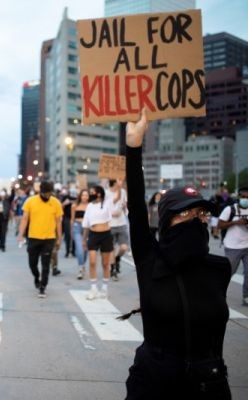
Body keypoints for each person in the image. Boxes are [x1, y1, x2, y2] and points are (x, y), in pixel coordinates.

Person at [124, 109, 232, 399]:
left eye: (200, 213)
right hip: (153, 384)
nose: (196, 218)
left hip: (207, 383)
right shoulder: (150, 260)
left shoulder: (219, 268)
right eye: (186, 212)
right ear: (167, 221)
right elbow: (135, 207)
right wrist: (133, 147)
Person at [17, 181, 63, 298]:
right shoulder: (30, 201)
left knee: (46, 264)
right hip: (33, 237)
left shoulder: (56, 203)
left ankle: (43, 287)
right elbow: (25, 219)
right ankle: (36, 277)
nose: (47, 196)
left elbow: (58, 222)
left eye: (49, 193)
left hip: (49, 238)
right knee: (32, 264)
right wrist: (21, 234)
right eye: (45, 193)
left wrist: (59, 238)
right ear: (40, 191)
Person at [217, 187, 248, 306]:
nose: (245, 199)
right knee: (228, 272)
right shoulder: (230, 209)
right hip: (232, 247)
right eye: (243, 197)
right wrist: (236, 222)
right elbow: (220, 225)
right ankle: (218, 294)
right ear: (238, 197)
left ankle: (246, 297)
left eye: (247, 197)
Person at [82, 185, 113, 300]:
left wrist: (119, 187)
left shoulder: (107, 203)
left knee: (105, 264)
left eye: (92, 192)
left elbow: (115, 198)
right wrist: (84, 240)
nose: (91, 194)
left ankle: (104, 288)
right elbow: (86, 223)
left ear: (99, 193)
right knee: (92, 262)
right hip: (93, 235)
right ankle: (93, 288)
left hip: (106, 235)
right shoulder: (89, 206)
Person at [105, 179, 128, 281]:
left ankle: (118, 259)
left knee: (123, 248)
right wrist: (111, 214)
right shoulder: (106, 193)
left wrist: (124, 209)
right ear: (114, 182)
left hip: (122, 223)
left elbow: (124, 204)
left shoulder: (123, 192)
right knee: (112, 249)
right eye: (119, 181)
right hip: (110, 225)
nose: (121, 182)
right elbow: (108, 206)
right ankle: (113, 269)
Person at [71, 189, 90, 280]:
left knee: (85, 249)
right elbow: (72, 219)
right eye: (83, 195)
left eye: (86, 195)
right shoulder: (75, 205)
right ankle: (80, 268)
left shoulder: (91, 206)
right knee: (80, 249)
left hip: (88, 229)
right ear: (80, 196)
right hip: (77, 227)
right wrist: (71, 231)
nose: (85, 197)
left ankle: (82, 266)